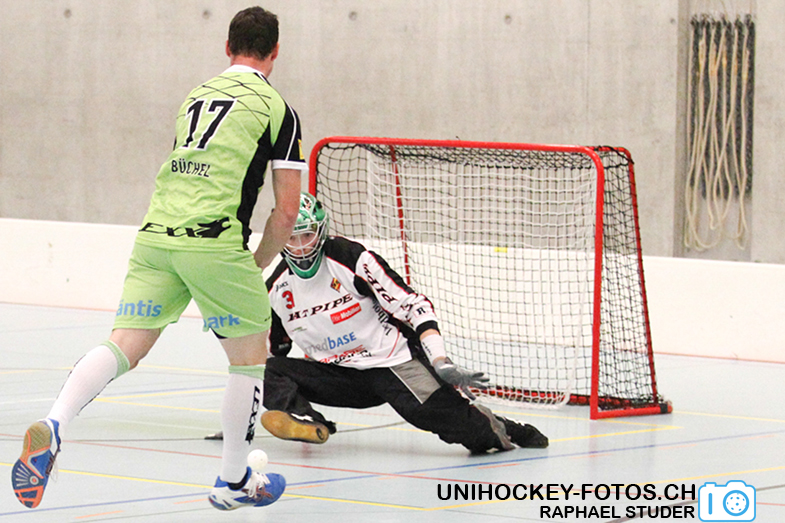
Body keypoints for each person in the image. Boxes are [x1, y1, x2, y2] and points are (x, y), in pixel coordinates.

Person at [12, 6, 304, 512]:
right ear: (275, 51)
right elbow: (287, 211)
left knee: (125, 342)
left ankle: (55, 421)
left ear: (226, 47)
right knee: (249, 361)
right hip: (214, 242)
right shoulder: (277, 109)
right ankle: (233, 480)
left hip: (155, 237)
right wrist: (255, 262)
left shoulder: (196, 96)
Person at [257, 192, 548, 453]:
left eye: (307, 235)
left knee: (466, 432)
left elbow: (414, 305)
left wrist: (440, 360)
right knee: (263, 369)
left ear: (321, 232)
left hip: (392, 363)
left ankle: (502, 427)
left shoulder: (351, 259)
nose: (300, 247)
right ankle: (307, 422)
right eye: (291, 237)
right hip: (339, 375)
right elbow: (273, 350)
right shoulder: (275, 288)